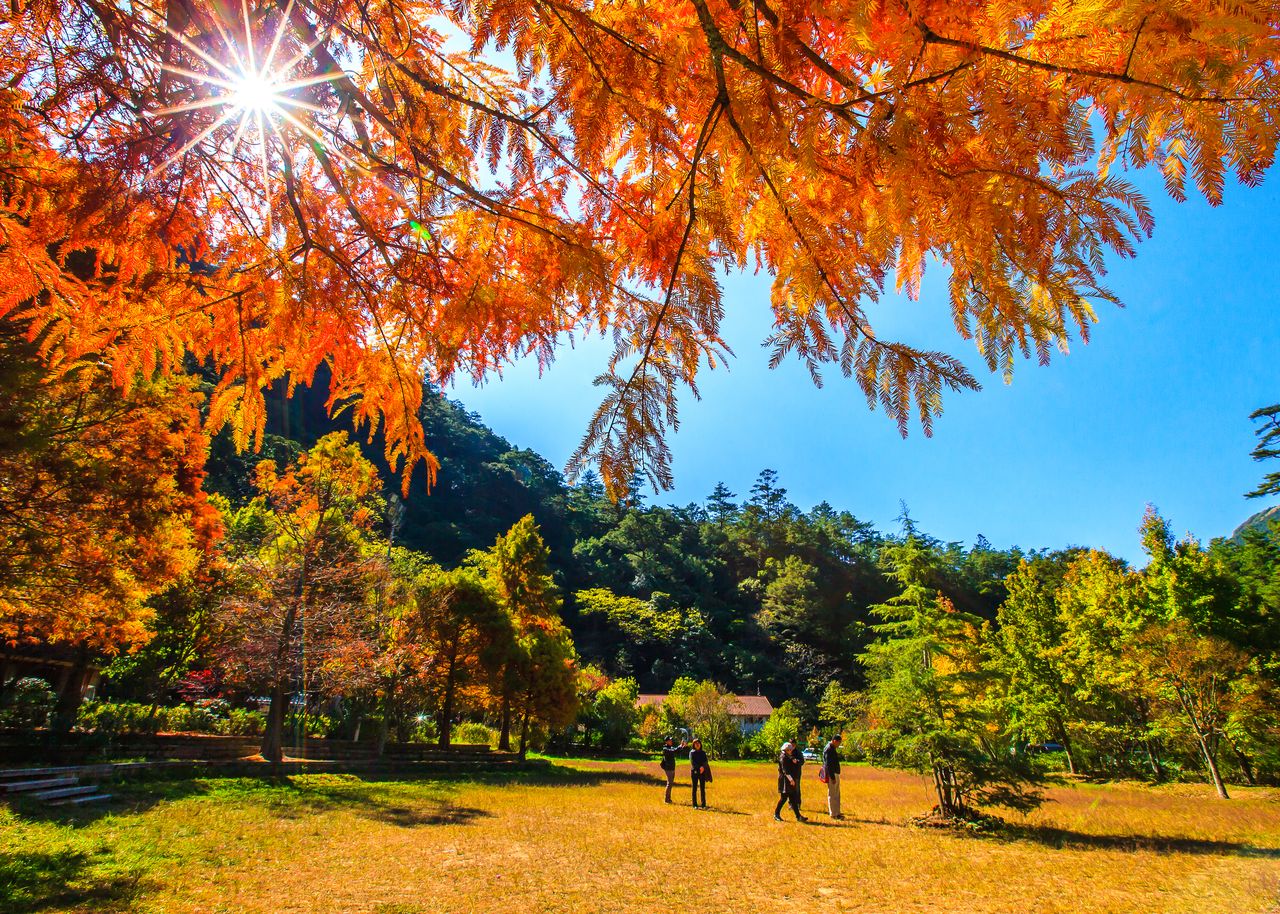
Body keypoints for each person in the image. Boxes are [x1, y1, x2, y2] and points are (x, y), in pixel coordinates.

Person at [774, 741, 807, 821]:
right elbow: (785, 771)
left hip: (788, 780)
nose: (791, 751)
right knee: (784, 798)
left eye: (791, 749)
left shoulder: (788, 756)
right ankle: (776, 814)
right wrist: (791, 780)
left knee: (793, 798)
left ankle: (798, 816)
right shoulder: (783, 757)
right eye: (789, 749)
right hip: (785, 780)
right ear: (785, 750)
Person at [659, 736, 686, 803]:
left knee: (670, 784)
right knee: (669, 783)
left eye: (671, 740)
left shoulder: (670, 747)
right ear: (666, 741)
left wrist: (682, 746)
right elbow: (673, 751)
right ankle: (666, 799)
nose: (671, 741)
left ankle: (668, 799)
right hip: (668, 768)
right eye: (670, 740)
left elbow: (677, 751)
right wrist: (680, 746)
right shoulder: (665, 748)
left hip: (672, 768)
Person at [823, 734, 844, 819]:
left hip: (836, 773)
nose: (839, 745)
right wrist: (832, 777)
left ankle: (837, 812)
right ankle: (833, 813)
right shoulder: (829, 749)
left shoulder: (832, 748)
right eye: (838, 743)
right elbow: (828, 765)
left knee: (836, 793)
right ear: (834, 741)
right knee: (832, 794)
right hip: (832, 774)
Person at [689, 738, 711, 808]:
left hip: (702, 772)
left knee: (702, 789)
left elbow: (705, 761)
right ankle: (694, 805)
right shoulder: (692, 752)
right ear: (693, 745)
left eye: (698, 743)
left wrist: (703, 767)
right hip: (694, 772)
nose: (697, 744)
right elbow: (693, 762)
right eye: (695, 743)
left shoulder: (703, 752)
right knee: (694, 788)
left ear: (700, 744)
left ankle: (703, 805)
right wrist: (699, 768)